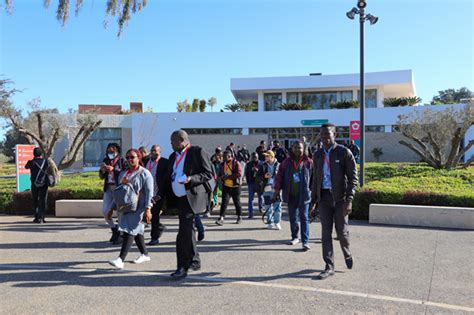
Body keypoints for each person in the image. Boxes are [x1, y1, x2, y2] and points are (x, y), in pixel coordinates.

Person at [158, 130, 213, 280]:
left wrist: (190, 179)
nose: (170, 143)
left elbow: (208, 174)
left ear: (182, 140)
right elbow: (166, 179)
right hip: (179, 199)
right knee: (188, 231)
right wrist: (159, 196)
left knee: (183, 232)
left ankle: (182, 266)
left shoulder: (197, 152)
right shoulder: (172, 157)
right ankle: (195, 261)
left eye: (172, 141)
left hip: (191, 198)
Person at [311, 123, 358, 280]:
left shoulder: (344, 152)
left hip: (340, 199)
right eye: (322, 135)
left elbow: (353, 178)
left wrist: (349, 200)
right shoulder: (317, 155)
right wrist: (313, 201)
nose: (325, 138)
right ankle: (329, 265)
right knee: (326, 233)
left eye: (328, 135)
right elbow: (315, 178)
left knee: (342, 232)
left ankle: (347, 252)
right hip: (324, 197)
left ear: (334, 135)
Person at [108, 148, 154, 269]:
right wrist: (112, 208)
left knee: (129, 230)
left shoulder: (145, 173)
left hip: (139, 207)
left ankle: (120, 259)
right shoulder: (123, 173)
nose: (129, 159)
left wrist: (148, 209)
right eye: (127, 157)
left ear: (138, 158)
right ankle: (145, 254)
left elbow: (150, 193)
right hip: (125, 207)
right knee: (136, 230)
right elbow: (119, 193)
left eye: (132, 157)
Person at [274, 141, 313, 251]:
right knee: (293, 217)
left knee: (304, 217)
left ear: (303, 149)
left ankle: (305, 241)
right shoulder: (286, 162)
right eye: (295, 148)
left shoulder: (308, 162)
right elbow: (279, 176)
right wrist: (277, 190)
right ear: (292, 149)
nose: (297, 150)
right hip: (291, 194)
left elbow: (314, 178)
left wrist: (313, 192)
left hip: (304, 195)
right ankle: (295, 237)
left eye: (299, 148)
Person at [99, 143, 127, 243]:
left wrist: (114, 170)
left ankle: (121, 234)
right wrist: (102, 171)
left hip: (119, 189)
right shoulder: (105, 161)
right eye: (108, 151)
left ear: (117, 151)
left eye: (112, 151)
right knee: (105, 211)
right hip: (108, 188)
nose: (110, 153)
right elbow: (101, 176)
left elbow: (125, 174)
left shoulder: (122, 160)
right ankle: (114, 229)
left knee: (120, 212)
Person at [145, 145, 169, 246]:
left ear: (160, 152)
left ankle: (154, 238)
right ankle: (159, 227)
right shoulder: (146, 161)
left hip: (158, 193)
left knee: (154, 215)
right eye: (152, 150)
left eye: (156, 151)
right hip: (147, 192)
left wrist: (160, 194)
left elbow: (166, 180)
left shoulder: (164, 162)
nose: (153, 152)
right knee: (146, 215)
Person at [215, 150, 243, 225]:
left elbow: (239, 173)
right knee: (224, 202)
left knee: (237, 202)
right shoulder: (222, 164)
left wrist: (228, 177)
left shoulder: (236, 163)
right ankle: (221, 218)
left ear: (229, 156)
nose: (222, 158)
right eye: (222, 156)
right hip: (226, 186)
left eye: (224, 157)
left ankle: (239, 216)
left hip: (235, 187)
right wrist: (221, 177)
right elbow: (220, 173)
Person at [257, 150, 282, 230]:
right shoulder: (262, 165)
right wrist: (264, 176)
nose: (265, 157)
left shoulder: (279, 165)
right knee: (268, 207)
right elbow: (258, 176)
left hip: (276, 189)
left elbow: (283, 176)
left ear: (272, 157)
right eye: (265, 156)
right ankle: (270, 222)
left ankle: (277, 222)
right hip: (266, 189)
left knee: (277, 207)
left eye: (267, 156)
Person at [25, 147, 50, 224]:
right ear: (41, 154)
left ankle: (36, 218)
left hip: (34, 184)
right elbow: (48, 169)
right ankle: (42, 218)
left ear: (34, 154)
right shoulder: (45, 162)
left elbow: (26, 167)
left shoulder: (31, 162)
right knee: (43, 200)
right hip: (44, 184)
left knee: (35, 200)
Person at [244, 152, 262, 219]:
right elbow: (246, 174)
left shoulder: (261, 164)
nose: (254, 158)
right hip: (251, 183)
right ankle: (251, 213)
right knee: (250, 199)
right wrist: (248, 182)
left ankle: (261, 208)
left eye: (255, 157)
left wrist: (257, 171)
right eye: (253, 157)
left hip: (259, 183)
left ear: (258, 157)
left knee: (261, 197)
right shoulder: (249, 164)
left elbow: (263, 173)